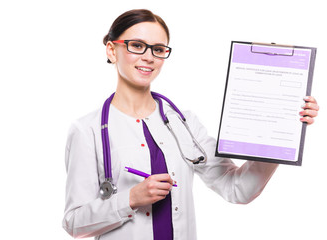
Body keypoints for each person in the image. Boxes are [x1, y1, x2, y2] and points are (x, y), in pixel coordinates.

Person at [62, 9, 319, 239]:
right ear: (111, 50)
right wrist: (129, 199)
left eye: (158, 49)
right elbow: (74, 223)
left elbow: (236, 189)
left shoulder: (183, 122)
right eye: (137, 45)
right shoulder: (88, 130)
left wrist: (281, 131)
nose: (149, 57)